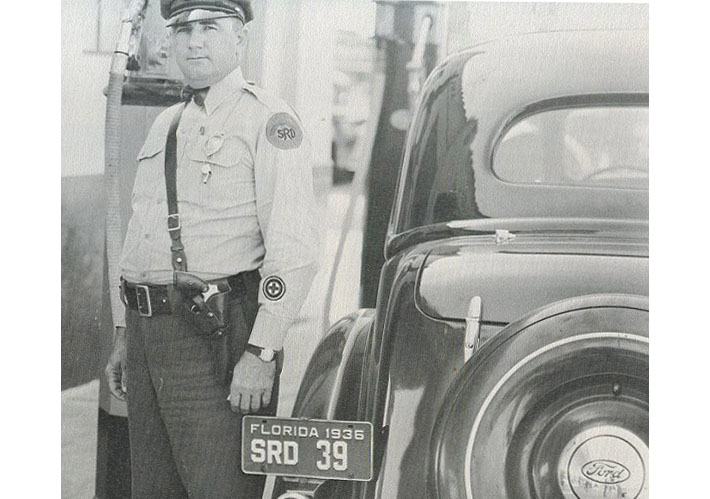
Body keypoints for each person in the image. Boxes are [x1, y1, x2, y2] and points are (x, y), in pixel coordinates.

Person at [104, 1, 319, 497]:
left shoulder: (270, 121)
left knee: (218, 487)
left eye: (209, 27)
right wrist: (123, 333)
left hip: (215, 338)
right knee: (154, 489)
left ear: (239, 39)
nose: (194, 40)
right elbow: (141, 235)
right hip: (147, 335)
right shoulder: (169, 124)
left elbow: (294, 249)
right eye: (183, 29)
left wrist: (262, 350)